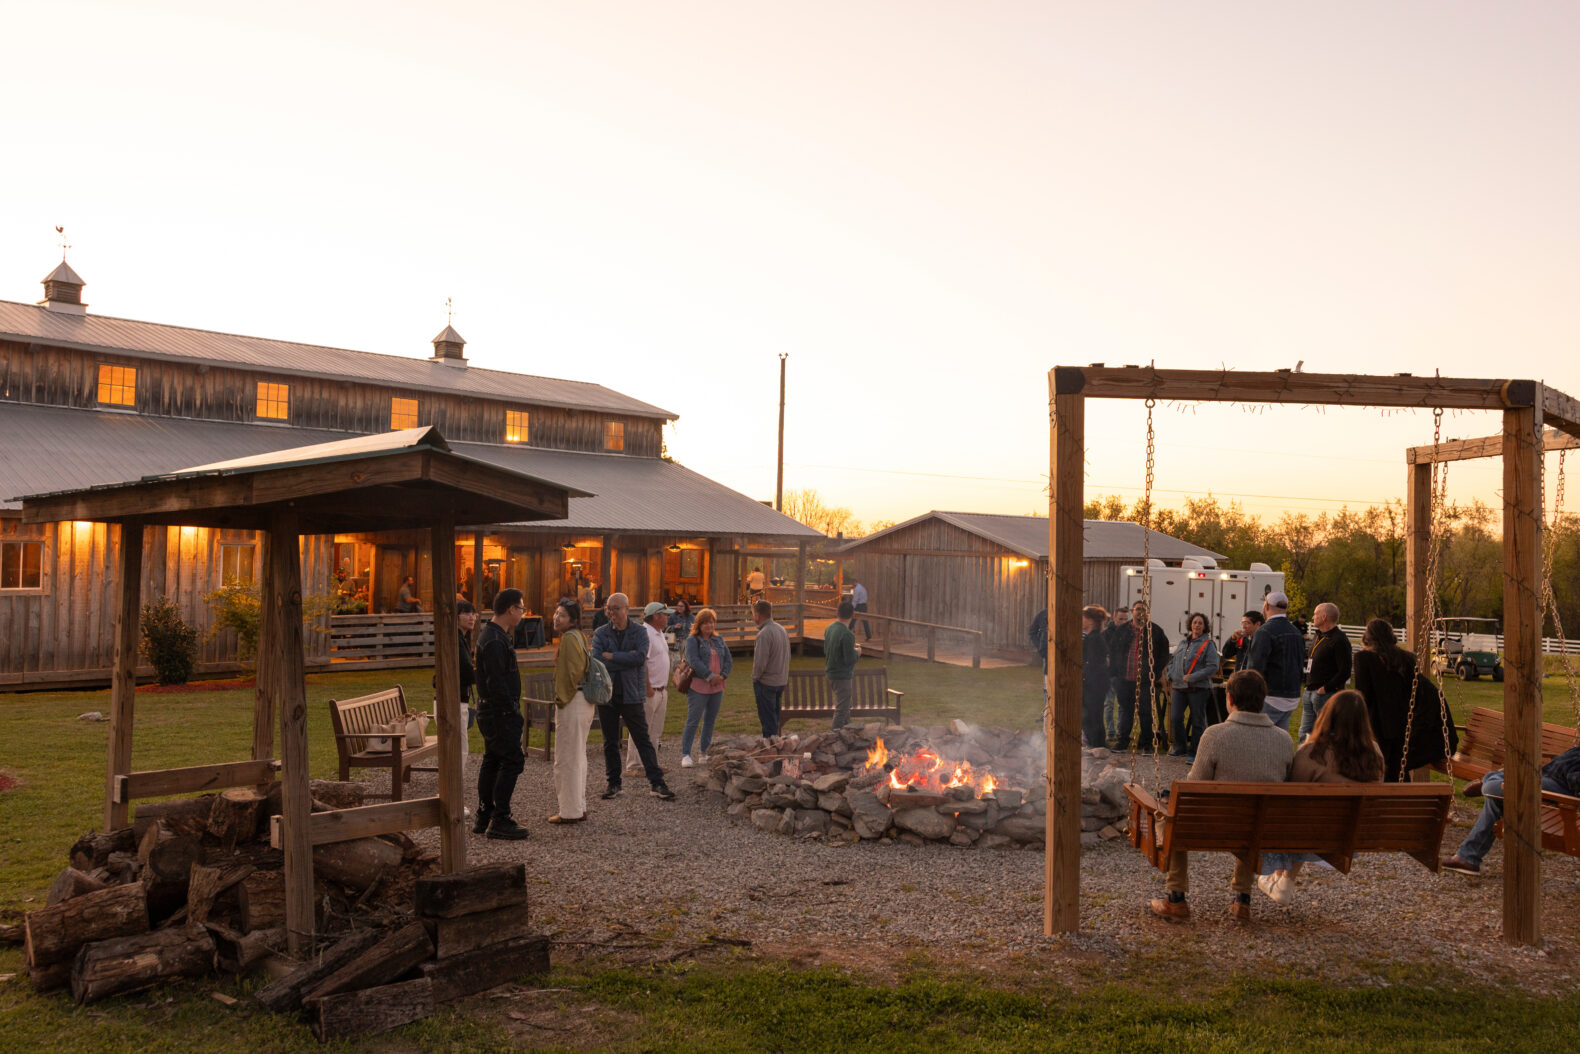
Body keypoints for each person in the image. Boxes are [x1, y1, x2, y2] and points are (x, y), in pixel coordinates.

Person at [1150, 669, 1292, 922]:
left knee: (1170, 812)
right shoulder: (1284, 740)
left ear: (1229, 699)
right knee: (1253, 820)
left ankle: (1176, 898)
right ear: (1263, 700)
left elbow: (1193, 786)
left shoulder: (1215, 735)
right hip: (1261, 828)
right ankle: (1242, 899)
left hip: (1214, 826)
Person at [1257, 689, 1385, 904]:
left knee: (1288, 812)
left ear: (1327, 715)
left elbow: (1291, 795)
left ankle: (1282, 876)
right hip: (1351, 832)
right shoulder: (1374, 752)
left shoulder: (1313, 752)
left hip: (1312, 832)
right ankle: (1283, 879)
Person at [1442, 744, 1580, 875]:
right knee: (1498, 792)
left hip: (1560, 791)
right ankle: (1466, 859)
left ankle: (1468, 858)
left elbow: (1575, 780)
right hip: (1546, 778)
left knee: (1494, 789)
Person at [1352, 618, 1458, 781]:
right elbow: (1417, 690)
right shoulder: (1405, 658)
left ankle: (1392, 801)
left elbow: (1362, 695)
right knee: (1397, 766)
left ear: (1368, 637)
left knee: (1388, 766)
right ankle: (1403, 799)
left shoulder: (1364, 658)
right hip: (1405, 722)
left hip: (1381, 723)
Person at [591, 593, 673, 800]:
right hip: (608, 695)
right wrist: (623, 657)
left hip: (631, 694)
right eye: (609, 608)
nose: (612, 613)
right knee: (610, 741)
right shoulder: (601, 633)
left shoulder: (639, 632)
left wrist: (613, 656)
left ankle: (657, 782)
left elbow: (639, 658)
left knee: (642, 739)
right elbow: (597, 660)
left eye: (616, 608)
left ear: (627, 609)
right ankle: (613, 783)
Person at [473, 588, 529, 840]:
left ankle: (485, 813)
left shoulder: (494, 635)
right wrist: (510, 711)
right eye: (521, 608)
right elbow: (496, 681)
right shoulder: (495, 640)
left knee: (493, 759)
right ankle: (500, 818)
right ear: (510, 609)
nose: (522, 613)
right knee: (512, 760)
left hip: (491, 709)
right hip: (498, 711)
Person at [548, 597, 594, 825]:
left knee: (567, 758)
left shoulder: (569, 638)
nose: (557, 618)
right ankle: (578, 806)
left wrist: (561, 698)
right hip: (582, 702)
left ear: (573, 620)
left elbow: (571, 673)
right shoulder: (578, 637)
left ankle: (570, 811)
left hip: (572, 701)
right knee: (577, 756)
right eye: (556, 613)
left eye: (562, 615)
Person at [1110, 600, 1169, 752]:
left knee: (1145, 712)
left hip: (1144, 681)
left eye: (1143, 609)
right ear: (1132, 611)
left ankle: (1147, 745)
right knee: (1126, 712)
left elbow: (1163, 654)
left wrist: (1154, 673)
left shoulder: (1155, 631)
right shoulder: (1123, 630)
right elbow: (1113, 651)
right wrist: (1115, 673)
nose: (1140, 612)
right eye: (1137, 609)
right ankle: (1123, 743)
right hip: (1124, 679)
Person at [1245, 592, 1305, 733]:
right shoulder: (1296, 632)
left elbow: (1254, 668)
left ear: (1266, 606)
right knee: (1279, 739)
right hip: (1292, 696)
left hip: (1270, 696)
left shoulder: (1264, 631)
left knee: (1259, 738)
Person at [680, 608, 734, 765]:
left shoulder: (719, 639)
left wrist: (722, 676)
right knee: (693, 720)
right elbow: (694, 661)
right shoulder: (692, 641)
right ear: (699, 624)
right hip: (698, 686)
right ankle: (686, 754)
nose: (709, 625)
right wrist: (710, 677)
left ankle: (703, 753)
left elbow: (729, 660)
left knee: (710, 720)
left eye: (711, 622)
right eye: (705, 623)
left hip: (718, 687)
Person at [626, 602, 674, 776]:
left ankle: (650, 764)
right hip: (650, 689)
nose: (668, 617)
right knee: (641, 728)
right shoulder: (645, 633)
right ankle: (634, 765)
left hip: (661, 689)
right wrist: (647, 686)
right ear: (656, 616)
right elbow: (642, 662)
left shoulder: (659, 633)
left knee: (655, 731)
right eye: (665, 614)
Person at [1166, 612, 1220, 760]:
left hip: (1199, 689)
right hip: (1179, 687)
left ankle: (1195, 752)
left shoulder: (1208, 645)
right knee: (1175, 718)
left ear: (1204, 627)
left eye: (1200, 623)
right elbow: (1172, 661)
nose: (1197, 625)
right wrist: (1170, 674)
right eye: (1195, 622)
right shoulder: (1183, 643)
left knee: (1198, 721)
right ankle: (1180, 747)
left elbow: (1213, 666)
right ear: (1190, 624)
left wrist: (1193, 677)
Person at [1301, 602, 1352, 740]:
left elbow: (1345, 671)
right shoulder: (1318, 636)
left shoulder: (1339, 640)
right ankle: (1303, 760)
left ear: (1324, 617)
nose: (1312, 617)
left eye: (1316, 614)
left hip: (1325, 695)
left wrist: (1325, 688)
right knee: (1304, 735)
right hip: (1309, 691)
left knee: (1325, 735)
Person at [750, 600, 791, 737]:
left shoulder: (764, 634)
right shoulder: (781, 629)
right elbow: (788, 656)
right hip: (780, 681)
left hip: (766, 683)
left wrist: (755, 678)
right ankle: (777, 747)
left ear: (757, 615)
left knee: (768, 721)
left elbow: (760, 662)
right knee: (775, 717)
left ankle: (771, 751)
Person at [824, 599, 859, 729]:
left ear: (837, 612)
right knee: (841, 710)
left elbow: (826, 650)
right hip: (842, 676)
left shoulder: (829, 629)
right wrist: (858, 653)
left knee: (845, 707)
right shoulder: (847, 634)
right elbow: (849, 659)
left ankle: (847, 733)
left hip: (830, 673)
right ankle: (834, 738)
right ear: (853, 615)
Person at [1080, 605, 1110, 750]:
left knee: (1092, 716)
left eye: (1083, 618)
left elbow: (1092, 663)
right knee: (1088, 716)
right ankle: (1094, 743)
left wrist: (1083, 675)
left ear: (1091, 621)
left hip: (1094, 684)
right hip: (1092, 683)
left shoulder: (1094, 639)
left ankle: (1097, 745)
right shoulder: (1091, 637)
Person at [1101, 608, 1131, 745]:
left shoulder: (1130, 633)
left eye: (1126, 619)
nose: (1123, 621)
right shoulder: (1106, 634)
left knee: (1123, 705)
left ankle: (1121, 731)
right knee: (1109, 703)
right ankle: (1111, 731)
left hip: (1124, 675)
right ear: (1114, 619)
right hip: (1109, 674)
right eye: (1121, 619)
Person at [1220, 610, 1263, 674]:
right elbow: (1226, 654)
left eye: (1247, 623)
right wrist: (1233, 639)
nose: (1243, 627)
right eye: (1242, 623)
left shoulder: (1263, 640)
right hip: (1239, 677)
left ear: (1258, 624)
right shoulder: (1242, 639)